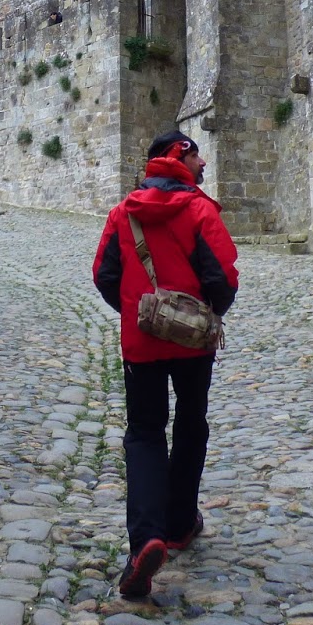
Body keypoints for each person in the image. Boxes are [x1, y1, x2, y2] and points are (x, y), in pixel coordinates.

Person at [92, 130, 239, 599]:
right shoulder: (199, 210)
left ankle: (146, 541)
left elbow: (104, 275)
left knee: (144, 433)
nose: (203, 167)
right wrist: (196, 316)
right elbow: (224, 277)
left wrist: (144, 314)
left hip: (142, 342)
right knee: (192, 425)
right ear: (179, 155)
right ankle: (179, 526)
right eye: (198, 157)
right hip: (193, 343)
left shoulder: (123, 212)